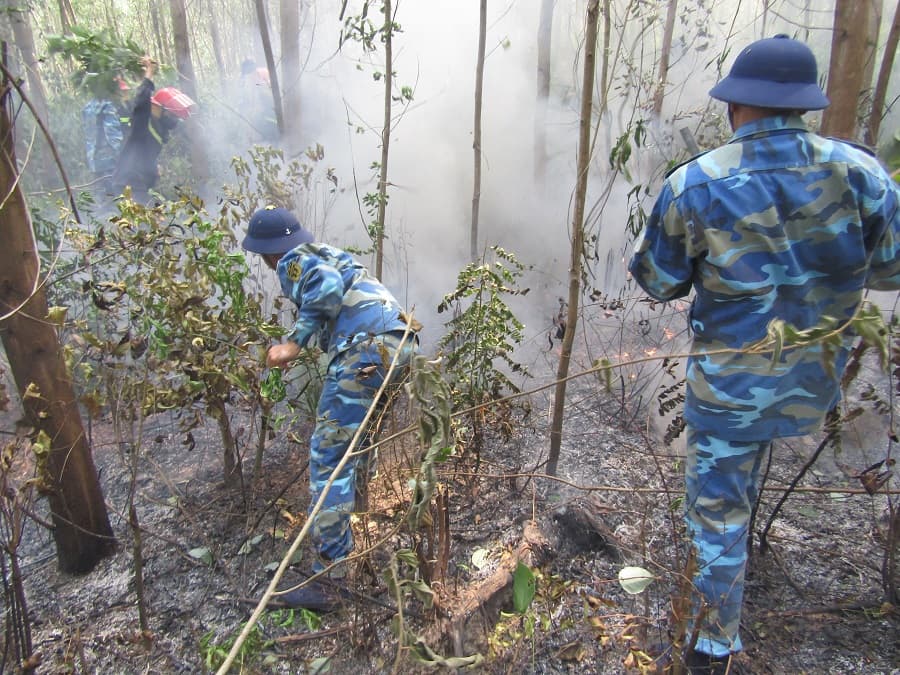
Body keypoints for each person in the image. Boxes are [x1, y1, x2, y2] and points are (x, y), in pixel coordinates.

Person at [628, 35, 900, 674]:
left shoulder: (695, 183)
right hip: (812, 382)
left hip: (730, 393)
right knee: (742, 488)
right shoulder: (863, 174)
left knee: (717, 515)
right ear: (802, 107)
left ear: (736, 107)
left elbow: (659, 281)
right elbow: (890, 272)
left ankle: (710, 650)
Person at [241, 206, 419, 610]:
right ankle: (354, 524)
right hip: (399, 342)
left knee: (328, 457)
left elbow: (325, 288)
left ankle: (334, 576)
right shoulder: (324, 252)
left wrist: (293, 343)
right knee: (358, 443)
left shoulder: (293, 260)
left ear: (266, 252)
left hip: (366, 350)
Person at [111, 56, 196, 203]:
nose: (172, 118)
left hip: (138, 184)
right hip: (128, 184)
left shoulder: (159, 128)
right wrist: (149, 73)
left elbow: (145, 155)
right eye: (170, 114)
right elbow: (141, 102)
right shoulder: (143, 123)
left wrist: (153, 169)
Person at [81, 76, 130, 194]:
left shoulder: (89, 106)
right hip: (110, 162)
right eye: (122, 92)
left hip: (95, 161)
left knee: (101, 198)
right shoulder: (108, 106)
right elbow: (112, 135)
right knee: (115, 200)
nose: (123, 95)